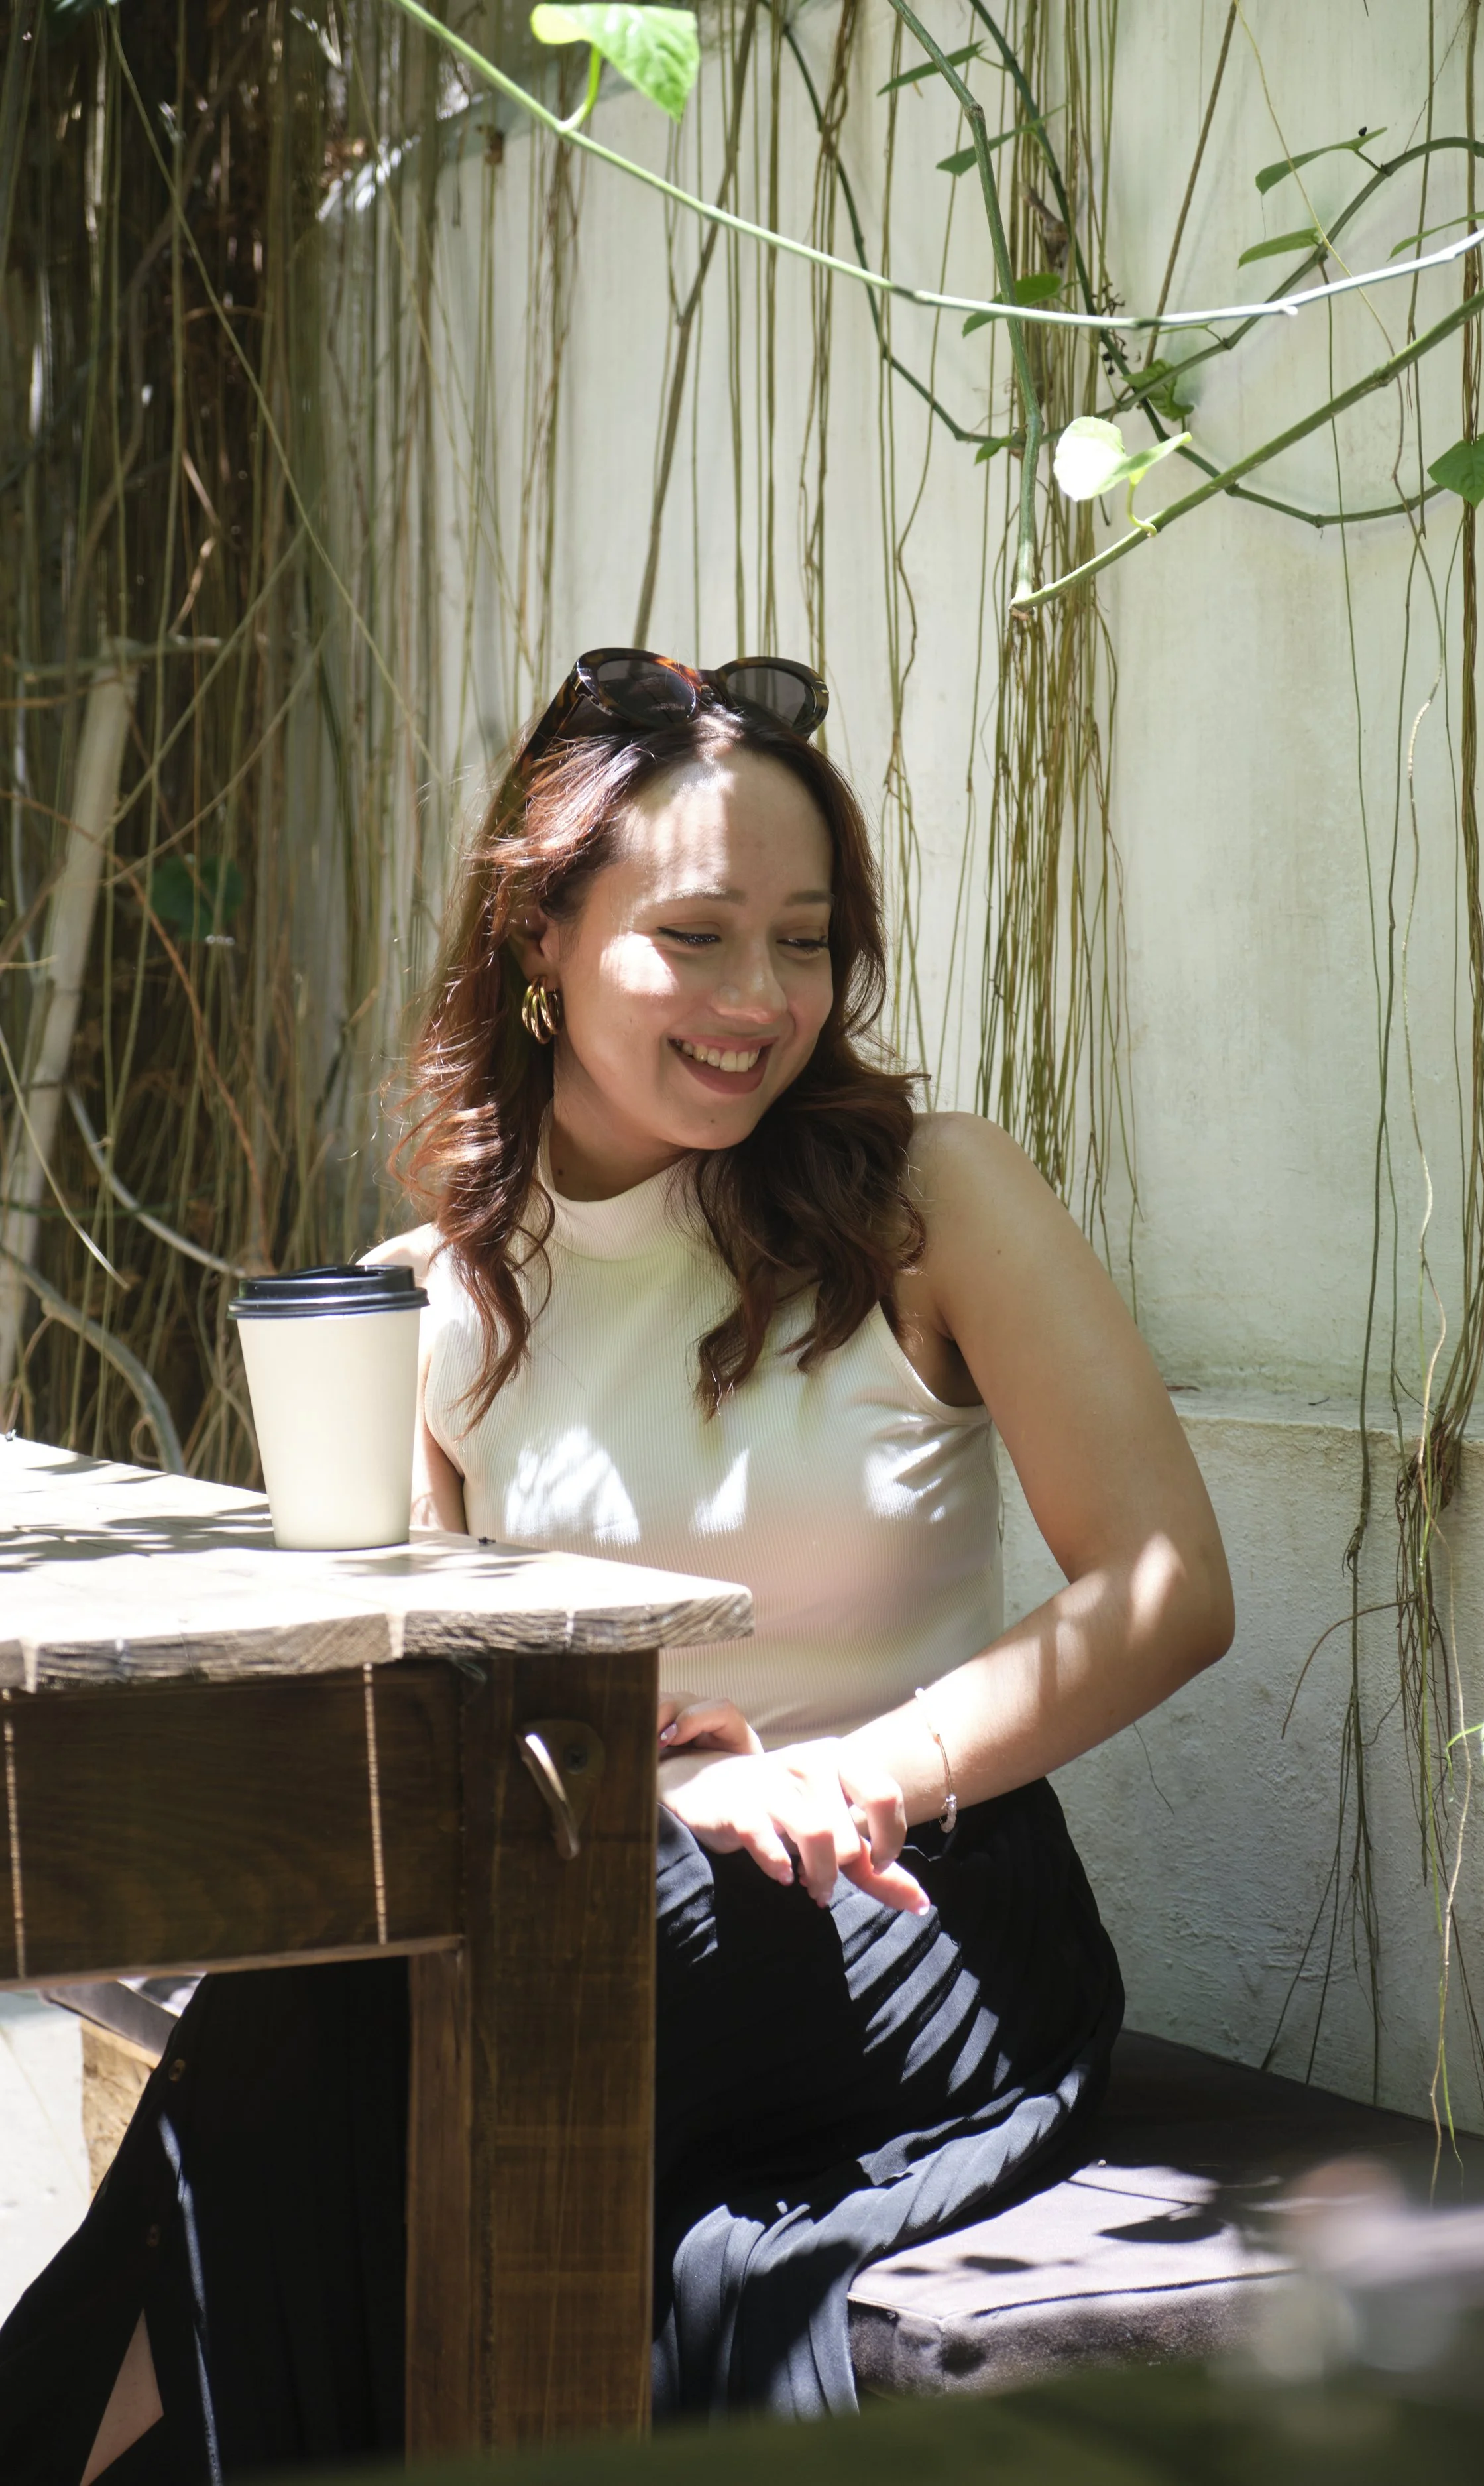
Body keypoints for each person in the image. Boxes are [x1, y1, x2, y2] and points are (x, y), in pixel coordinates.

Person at [1, 647, 1233, 2480]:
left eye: (802, 939)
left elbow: (1163, 1583)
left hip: (921, 1919)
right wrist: (647, 1762)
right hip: (602, 1897)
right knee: (369, 2004)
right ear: (539, 944)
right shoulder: (423, 1305)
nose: (761, 998)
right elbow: (418, 1721)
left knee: (394, 2008)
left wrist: (852, 1766)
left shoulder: (930, 1202)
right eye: (698, 935)